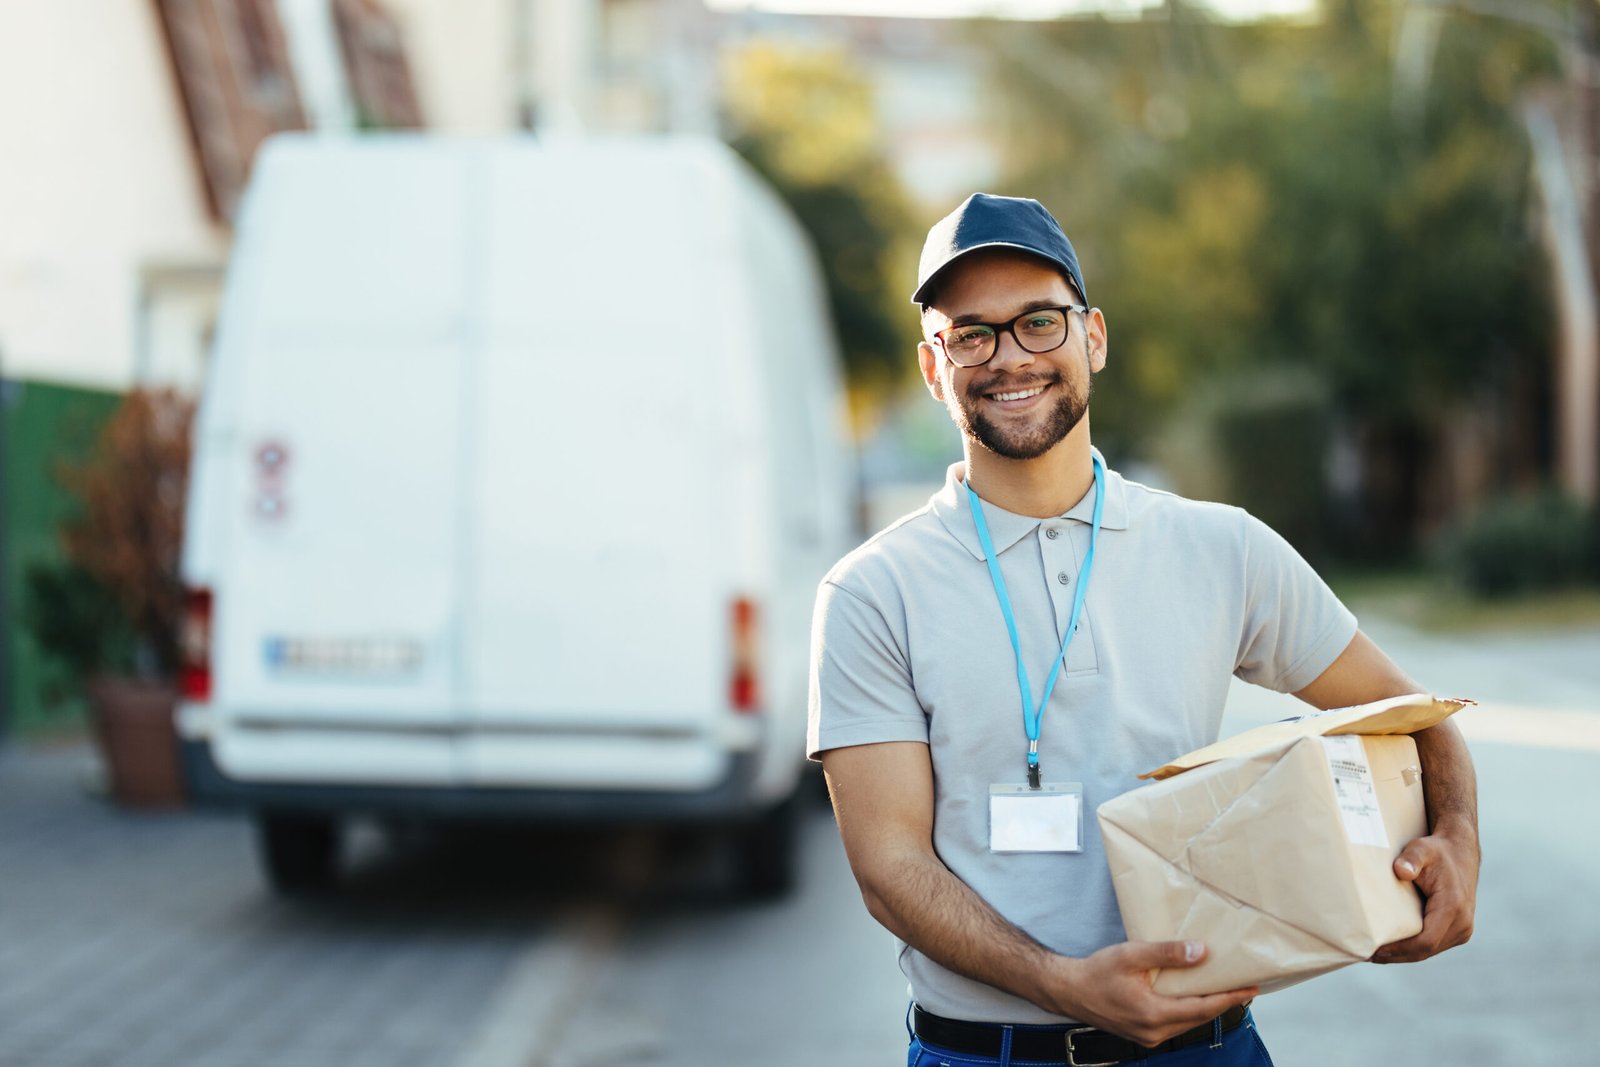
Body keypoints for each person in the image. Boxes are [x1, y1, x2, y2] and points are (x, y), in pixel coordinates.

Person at [806, 193, 1479, 1067]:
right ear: (935, 369)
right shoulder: (870, 592)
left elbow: (1413, 714)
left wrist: (1457, 837)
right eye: (970, 334)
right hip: (987, 1053)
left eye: (1039, 322)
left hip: (1207, 1049)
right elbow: (888, 866)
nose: (1010, 357)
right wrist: (1060, 981)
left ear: (1093, 337)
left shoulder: (1221, 546)